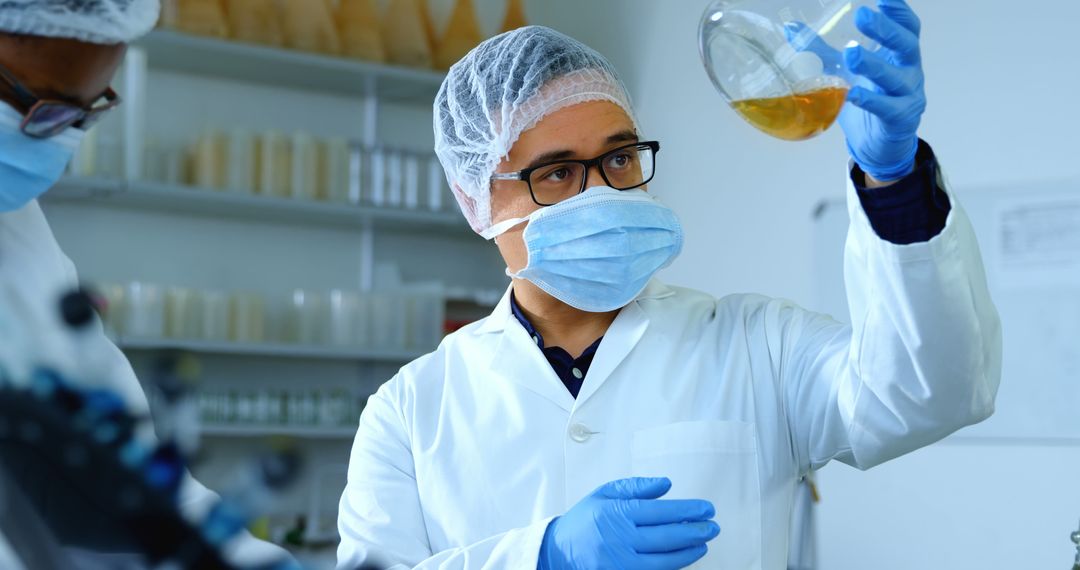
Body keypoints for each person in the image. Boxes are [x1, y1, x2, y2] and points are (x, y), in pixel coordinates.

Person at [338, 2, 1001, 569]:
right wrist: (541, 554)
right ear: (475, 200)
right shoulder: (410, 411)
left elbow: (928, 392)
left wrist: (894, 178)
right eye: (559, 173)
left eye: (619, 158)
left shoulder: (756, 345)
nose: (601, 194)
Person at [0, 1, 289, 565]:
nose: (55, 148)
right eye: (44, 113)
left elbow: (117, 479)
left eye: (85, 114)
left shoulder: (21, 236)